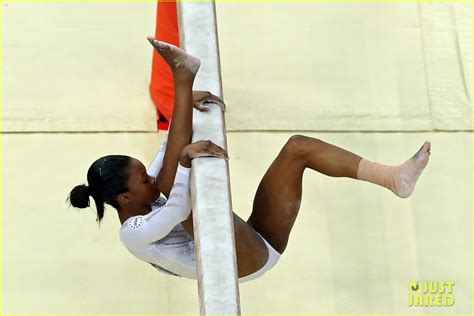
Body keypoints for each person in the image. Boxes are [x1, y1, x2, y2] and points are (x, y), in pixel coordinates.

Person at [67, 37, 431, 283]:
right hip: (235, 264)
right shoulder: (131, 235)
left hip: (255, 239)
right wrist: (183, 159)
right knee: (176, 178)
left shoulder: (144, 193)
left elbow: (166, 153)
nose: (149, 180)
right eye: (142, 180)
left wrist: (183, 108)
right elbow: (178, 208)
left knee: (297, 147)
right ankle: (181, 78)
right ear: (125, 199)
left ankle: (393, 178)